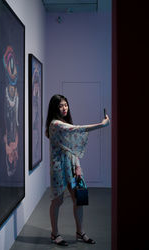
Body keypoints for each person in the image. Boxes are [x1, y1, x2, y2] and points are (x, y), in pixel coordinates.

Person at [45, 94, 110, 246]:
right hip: (59, 167)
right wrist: (102, 124)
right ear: (55, 108)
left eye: (66, 105)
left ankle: (80, 232)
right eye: (61, 105)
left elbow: (72, 149)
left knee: (79, 198)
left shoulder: (64, 123)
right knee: (57, 200)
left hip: (71, 165)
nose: (64, 108)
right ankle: (54, 234)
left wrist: (78, 166)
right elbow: (78, 129)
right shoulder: (55, 124)